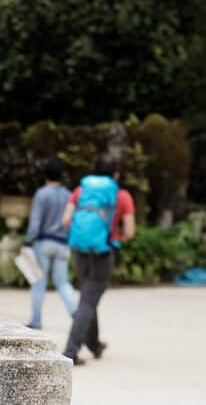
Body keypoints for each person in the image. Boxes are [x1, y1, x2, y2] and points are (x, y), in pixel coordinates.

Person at [61, 154, 135, 364]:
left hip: (79, 250)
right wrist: (113, 232)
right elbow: (129, 231)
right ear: (116, 174)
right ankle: (70, 351)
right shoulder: (121, 196)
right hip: (103, 253)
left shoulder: (80, 191)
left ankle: (94, 345)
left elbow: (66, 220)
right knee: (88, 301)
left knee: (88, 295)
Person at [23, 159, 79, 330]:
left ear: (45, 175)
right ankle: (76, 312)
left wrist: (27, 242)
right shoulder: (69, 195)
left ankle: (36, 320)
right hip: (63, 243)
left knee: (39, 283)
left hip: (44, 242)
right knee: (63, 283)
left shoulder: (42, 194)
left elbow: (35, 222)